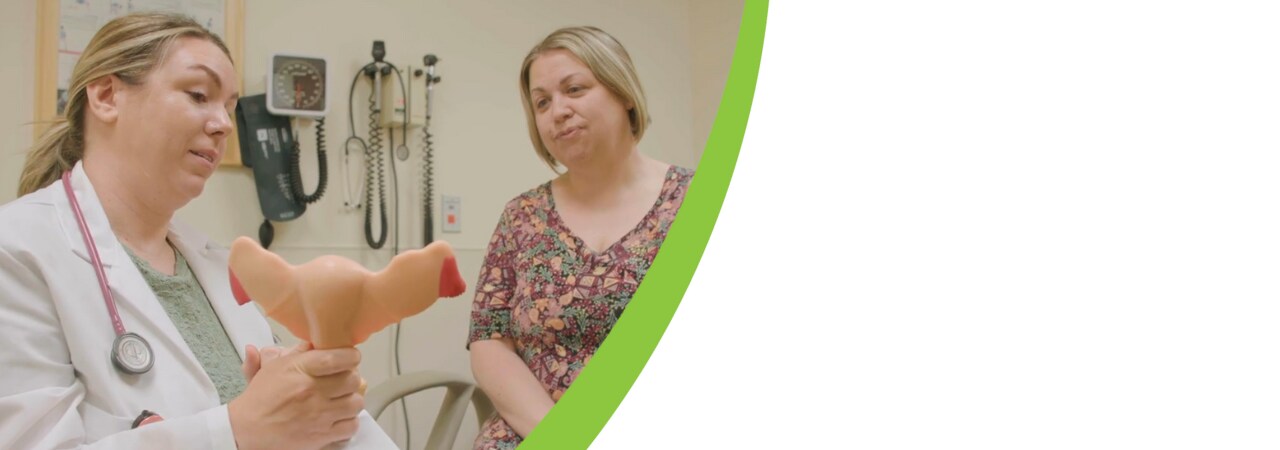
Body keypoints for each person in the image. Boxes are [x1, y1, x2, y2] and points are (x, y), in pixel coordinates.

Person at [0, 13, 395, 449]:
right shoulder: (18, 249)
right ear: (108, 96)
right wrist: (239, 430)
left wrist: (311, 401)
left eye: (227, 107)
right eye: (198, 95)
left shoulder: (218, 264)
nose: (224, 124)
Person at [467, 26, 694, 449]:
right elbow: (489, 340)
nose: (558, 111)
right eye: (542, 102)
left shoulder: (698, 204)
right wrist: (562, 436)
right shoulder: (522, 217)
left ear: (623, 92)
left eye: (575, 89)